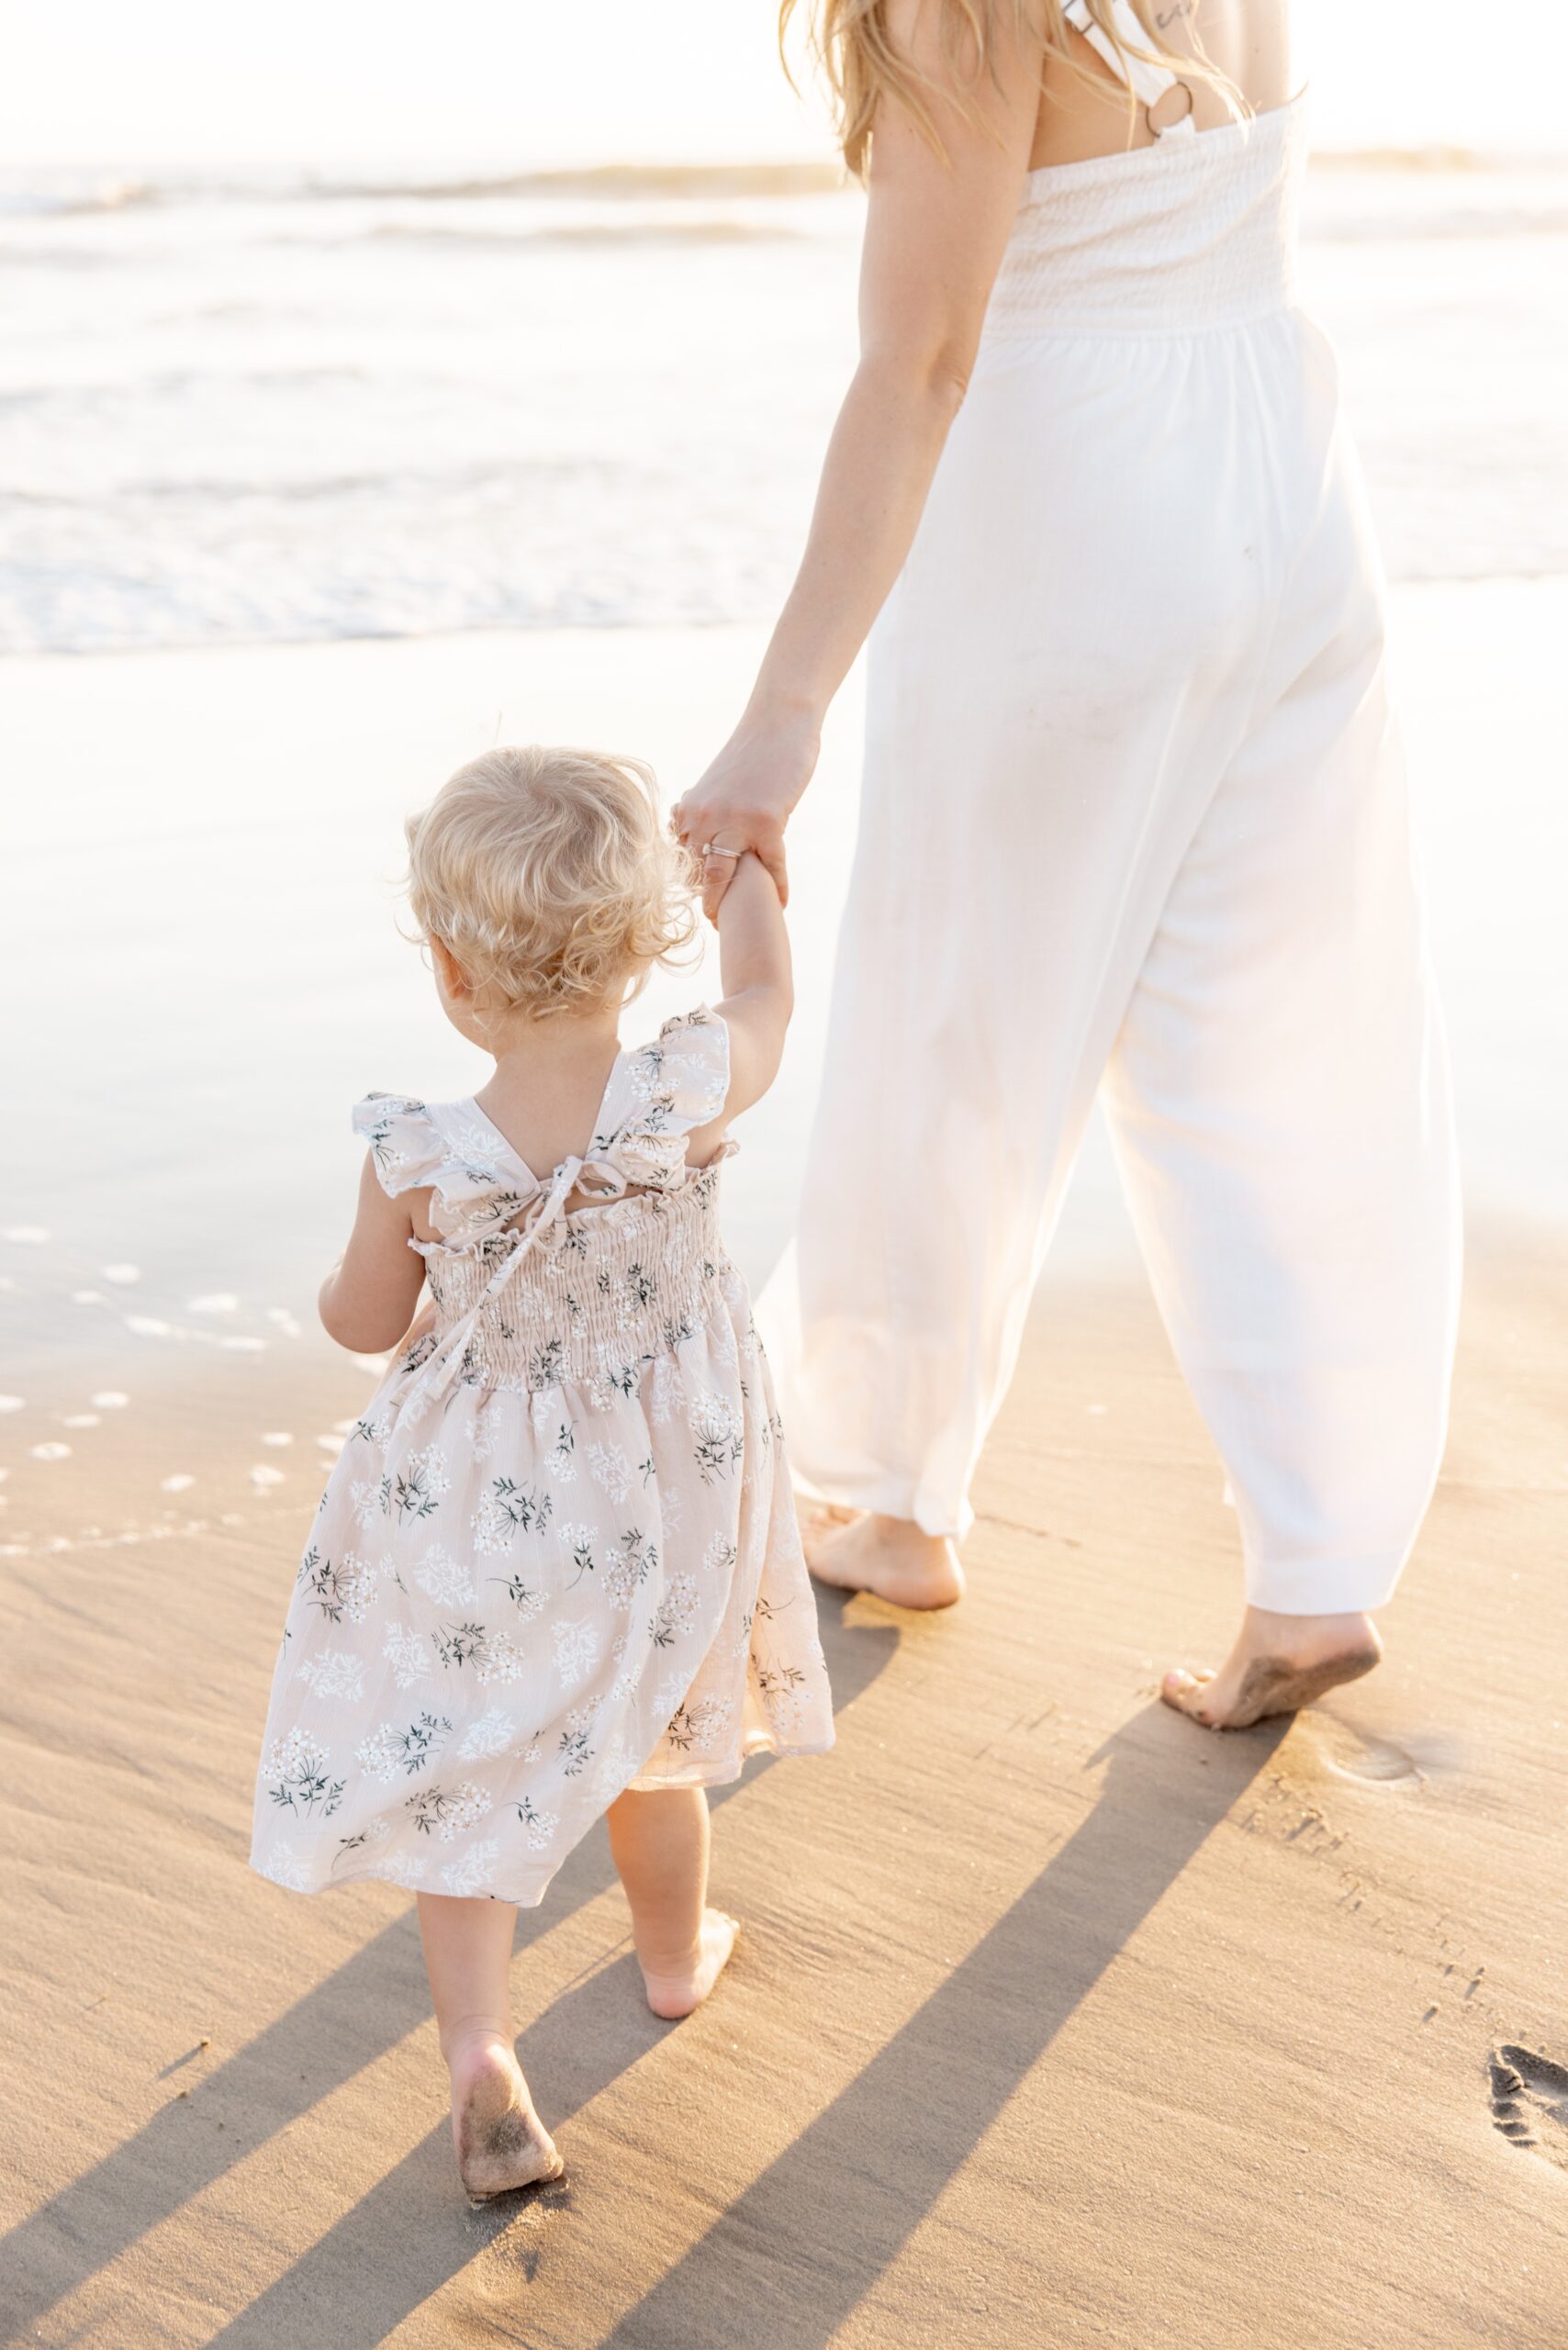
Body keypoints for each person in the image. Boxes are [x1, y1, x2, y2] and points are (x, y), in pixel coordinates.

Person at [673, 0, 1460, 1729]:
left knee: (959, 1025)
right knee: (1275, 1046)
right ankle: (1314, 1576)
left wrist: (781, 713)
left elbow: (921, 365)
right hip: (1288, 485)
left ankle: (889, 1497)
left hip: (1077, 499)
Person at [250, 745, 833, 2202]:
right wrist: (747, 878)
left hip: (479, 1495)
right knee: (643, 1722)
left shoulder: (422, 1156)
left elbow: (367, 1322)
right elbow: (770, 1000)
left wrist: (333, 1297)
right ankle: (673, 1959)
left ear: (450, 970)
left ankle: (482, 2055)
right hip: (669, 1481)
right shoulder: (687, 1087)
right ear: (647, 942)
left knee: (478, 1751)